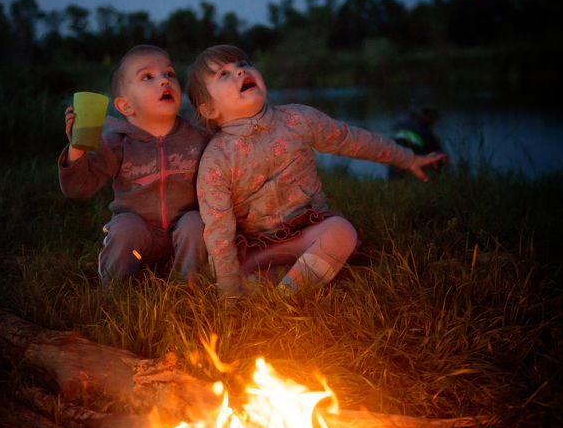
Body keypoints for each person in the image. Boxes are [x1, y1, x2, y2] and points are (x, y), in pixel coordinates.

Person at [186, 44, 446, 298]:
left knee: (342, 232)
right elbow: (219, 229)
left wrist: (407, 158)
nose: (240, 71)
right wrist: (230, 295)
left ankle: (285, 298)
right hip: (259, 249)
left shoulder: (297, 120)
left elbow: (351, 140)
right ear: (210, 109)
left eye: (243, 64)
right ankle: (291, 279)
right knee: (232, 270)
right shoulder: (216, 158)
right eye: (224, 74)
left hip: (309, 234)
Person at [59, 44, 210, 290]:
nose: (164, 81)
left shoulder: (197, 137)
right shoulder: (117, 142)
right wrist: (77, 148)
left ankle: (188, 287)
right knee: (125, 226)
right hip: (139, 239)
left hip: (183, 238)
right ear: (125, 106)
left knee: (195, 221)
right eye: (147, 77)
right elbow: (78, 188)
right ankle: (114, 291)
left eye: (169, 73)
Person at [388, 108, 444, 180]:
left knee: (395, 172)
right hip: (413, 146)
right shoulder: (425, 130)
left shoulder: (405, 122)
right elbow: (436, 154)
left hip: (396, 144)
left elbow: (395, 129)